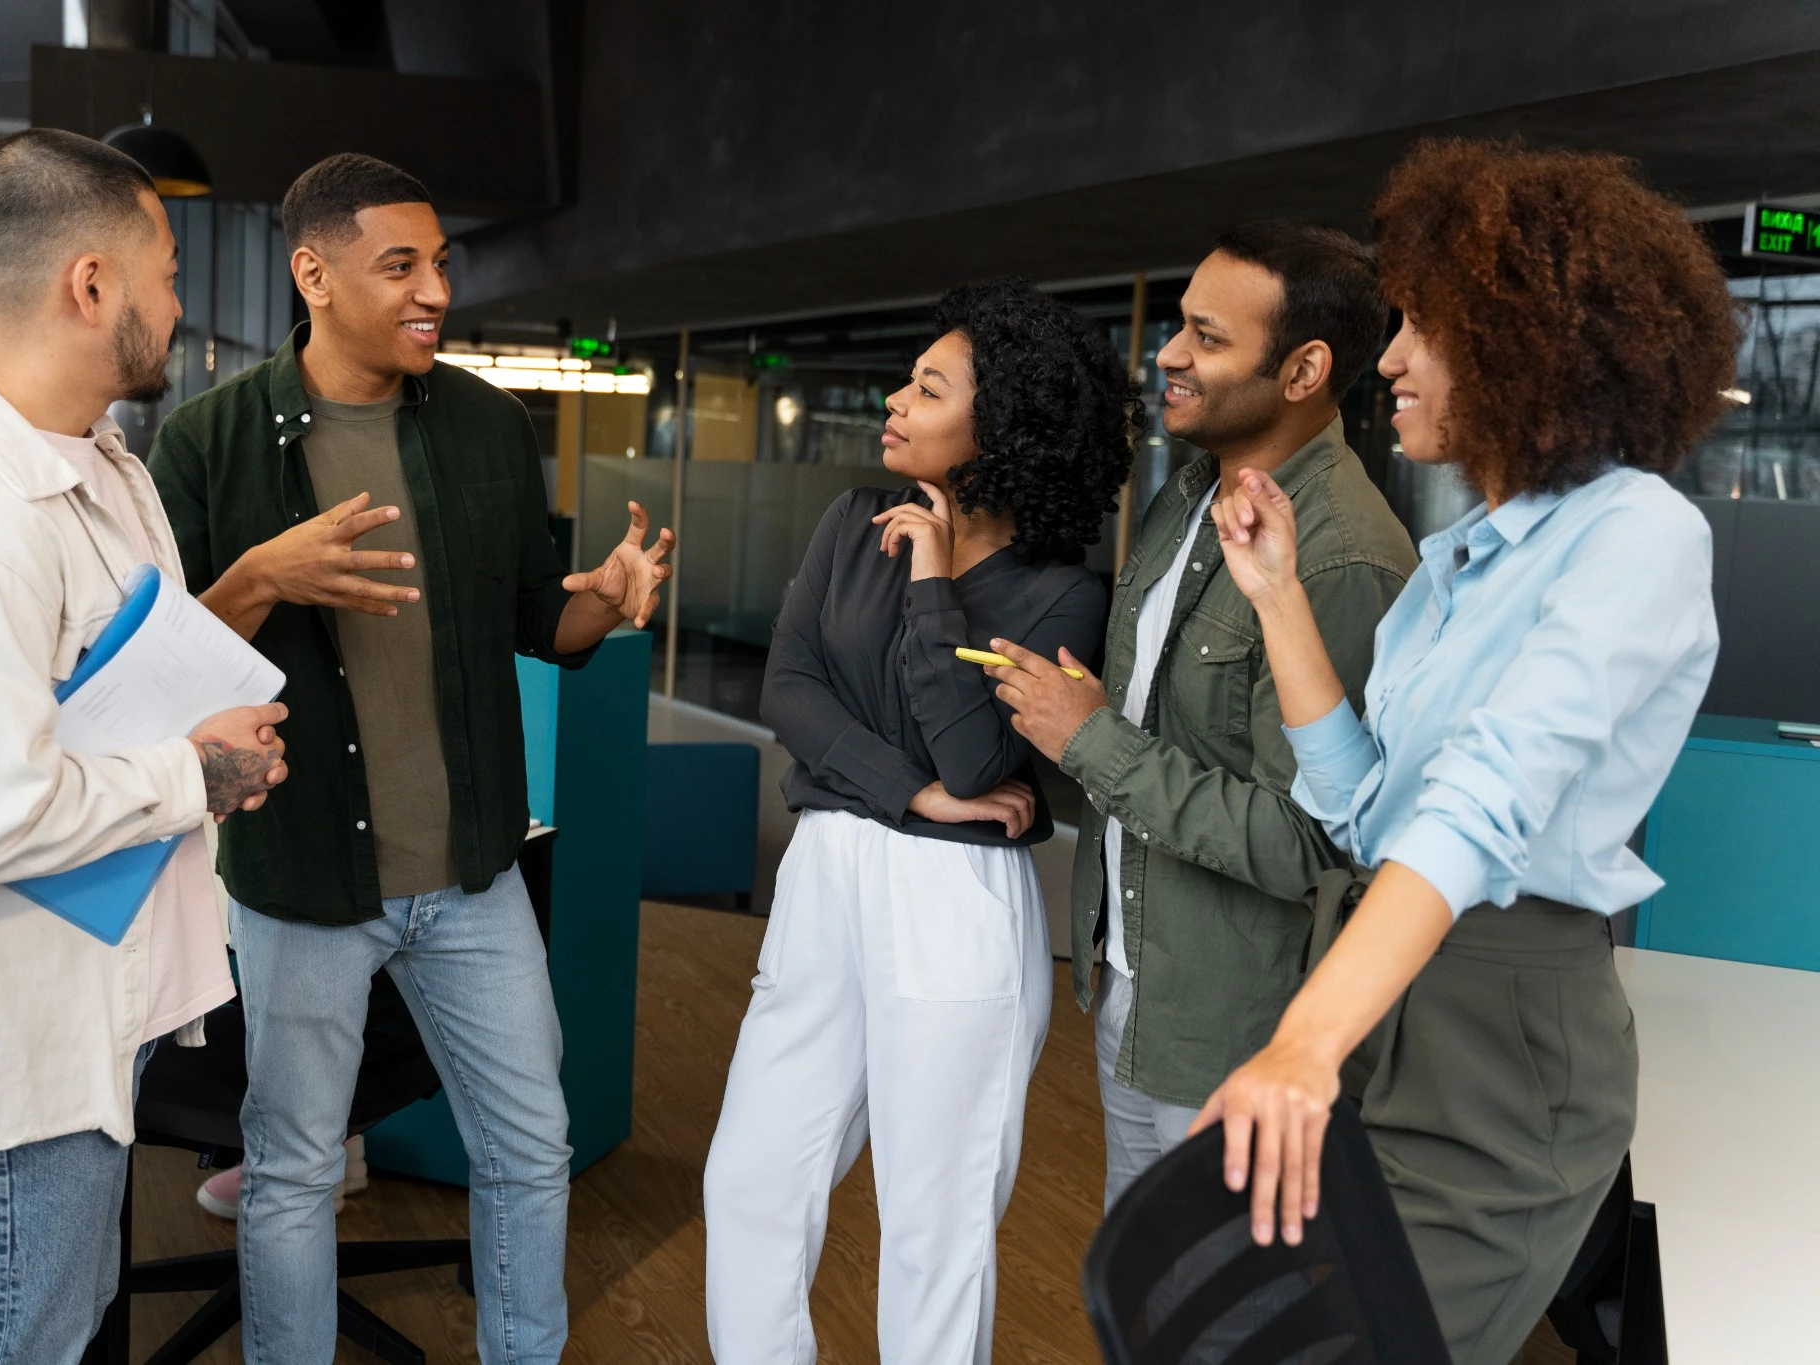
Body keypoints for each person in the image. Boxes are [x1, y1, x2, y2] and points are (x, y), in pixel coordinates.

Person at [1196, 139, 1737, 1363]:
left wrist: (1300, 1043)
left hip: (1496, 1040)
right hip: (1376, 981)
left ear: (1526, 340)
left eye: (1421, 327)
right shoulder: (1455, 564)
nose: (1387, 356)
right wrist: (1277, 596)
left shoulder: (1638, 533)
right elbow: (1361, 805)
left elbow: (1478, 807)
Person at [149, 152, 672, 1365]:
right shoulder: (210, 443)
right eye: (402, 266)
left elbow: (539, 620)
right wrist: (263, 577)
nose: (434, 289)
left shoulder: (487, 425)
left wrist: (602, 599)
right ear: (313, 273)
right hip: (305, 883)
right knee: (288, 1173)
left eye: (440, 263)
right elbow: (157, 663)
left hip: (474, 878)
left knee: (529, 1145)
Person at [0, 129, 287, 1364]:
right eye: (171, 272)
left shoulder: (101, 464)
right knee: (12, 1341)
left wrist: (199, 735)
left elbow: (125, 681)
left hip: (88, 1002)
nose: (183, 304)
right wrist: (195, 771)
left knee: (59, 1325)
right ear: (93, 284)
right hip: (2, 1055)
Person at [703, 279, 1132, 1365]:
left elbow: (979, 759)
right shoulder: (852, 523)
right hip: (827, 874)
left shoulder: (1060, 597)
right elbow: (787, 691)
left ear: (998, 433)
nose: (893, 400)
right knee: (750, 1182)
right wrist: (909, 794)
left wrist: (935, 580)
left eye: (926, 388)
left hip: (951, 910)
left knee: (932, 1232)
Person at [990, 224, 1417, 1210]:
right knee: (1146, 1293)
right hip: (1140, 980)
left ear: (1304, 368)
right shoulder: (1189, 494)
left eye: (1205, 337)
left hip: (1239, 1026)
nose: (1168, 355)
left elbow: (1302, 838)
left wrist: (1088, 740)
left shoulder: (1339, 559)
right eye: (1177, 326)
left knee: (1217, 1319)